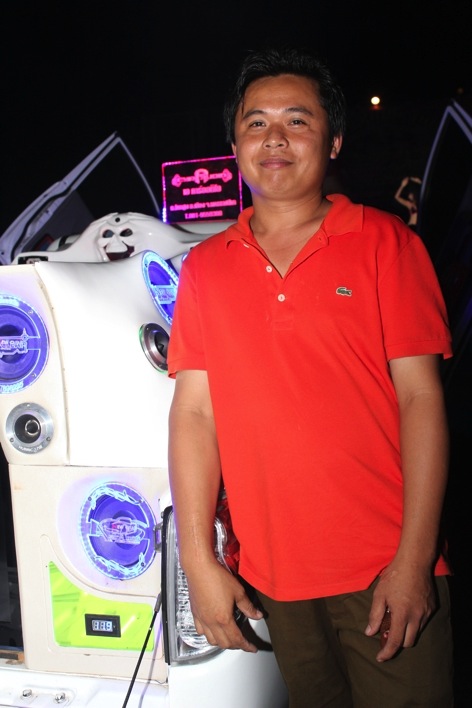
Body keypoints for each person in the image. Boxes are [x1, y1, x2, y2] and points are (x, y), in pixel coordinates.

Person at [167, 46, 454, 708]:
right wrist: (198, 562)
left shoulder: (387, 243)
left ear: (334, 141)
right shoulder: (205, 267)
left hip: (385, 569)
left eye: (297, 120)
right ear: (234, 145)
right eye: (256, 122)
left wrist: (414, 562)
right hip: (273, 578)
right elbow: (194, 415)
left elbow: (421, 400)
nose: (274, 138)